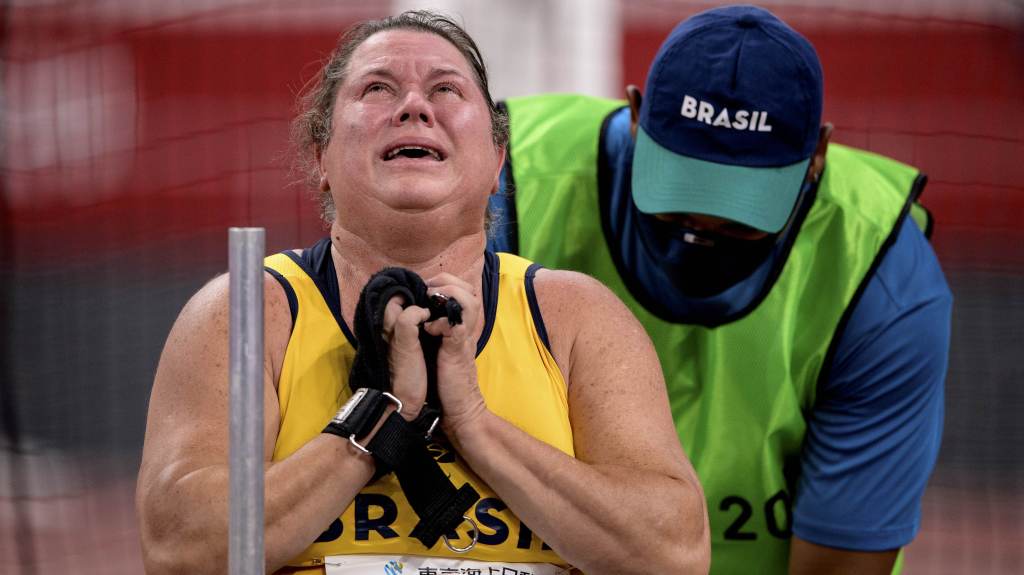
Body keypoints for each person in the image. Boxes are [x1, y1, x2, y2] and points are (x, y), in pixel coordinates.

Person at [135, 10, 709, 575]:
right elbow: (182, 550)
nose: (414, 106)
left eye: (446, 89)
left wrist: (475, 423)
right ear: (321, 158)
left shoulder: (574, 315)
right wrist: (378, 419)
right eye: (378, 88)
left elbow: (674, 555)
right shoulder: (248, 313)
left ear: (497, 162)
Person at [489, 5, 951, 574]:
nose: (695, 238)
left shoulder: (880, 275)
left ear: (817, 159)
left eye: (738, 219)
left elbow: (839, 564)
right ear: (635, 117)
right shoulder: (501, 182)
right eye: (675, 203)